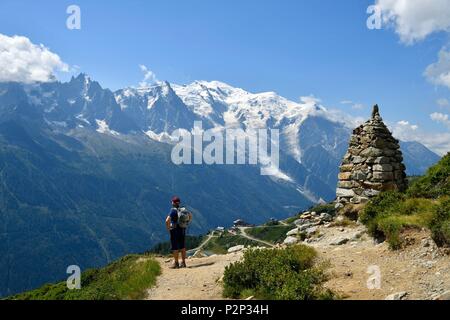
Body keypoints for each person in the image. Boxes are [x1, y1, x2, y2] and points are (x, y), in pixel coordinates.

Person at [165, 196, 191, 269]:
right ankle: (183, 263)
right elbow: (190, 216)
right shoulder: (183, 210)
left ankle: (176, 263)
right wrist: (186, 223)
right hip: (182, 229)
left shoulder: (173, 211)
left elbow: (167, 220)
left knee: (175, 247)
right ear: (179, 203)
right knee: (182, 247)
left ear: (173, 203)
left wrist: (168, 228)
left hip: (174, 230)